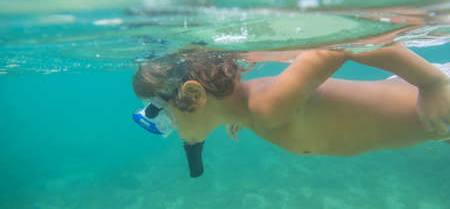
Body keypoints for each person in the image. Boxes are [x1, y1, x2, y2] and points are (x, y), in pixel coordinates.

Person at [132, 42, 450, 177]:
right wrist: (238, 117)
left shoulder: (267, 108)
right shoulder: (253, 110)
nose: (171, 131)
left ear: (193, 96)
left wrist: (432, 83)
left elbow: (340, 45)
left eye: (165, 118)